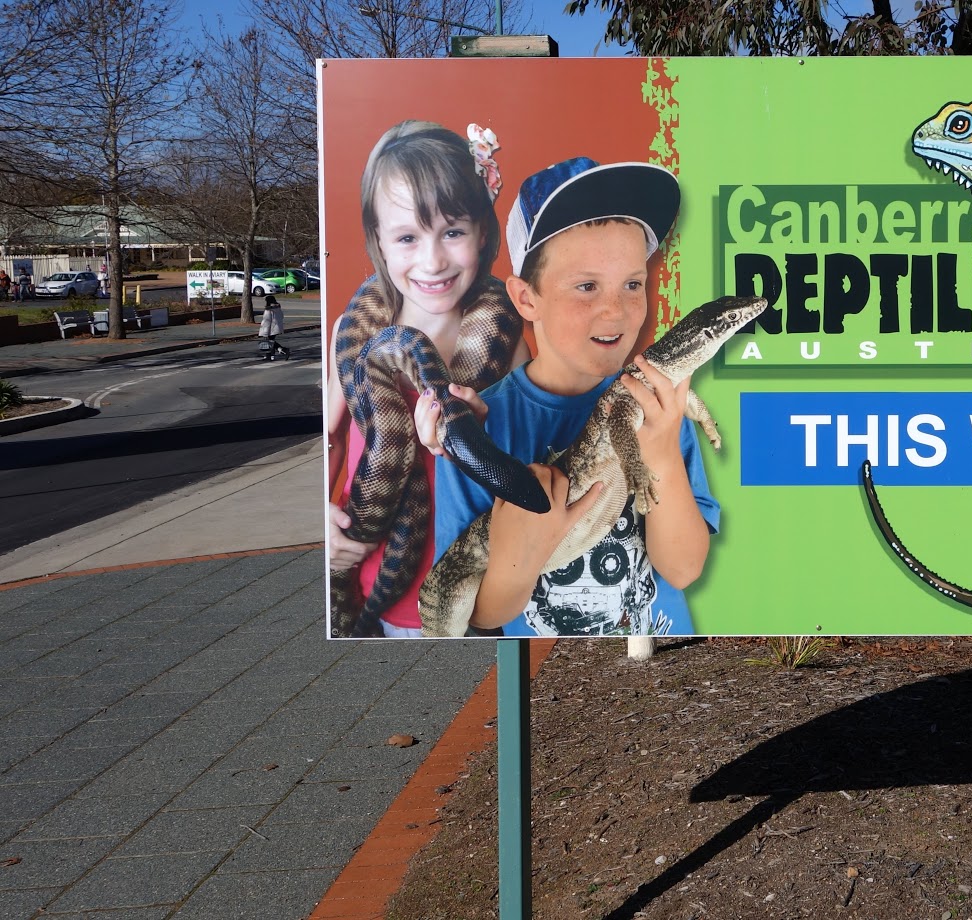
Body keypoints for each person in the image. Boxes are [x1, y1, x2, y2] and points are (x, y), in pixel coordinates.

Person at [426, 157, 716, 638]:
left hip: (666, 663)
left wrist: (662, 451)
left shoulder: (659, 408)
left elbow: (683, 570)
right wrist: (521, 559)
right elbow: (479, 613)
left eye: (633, 283)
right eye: (586, 286)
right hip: (550, 674)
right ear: (525, 299)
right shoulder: (474, 431)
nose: (616, 310)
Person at [325, 120, 528, 639]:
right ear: (379, 241)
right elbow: (325, 444)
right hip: (384, 600)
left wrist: (484, 432)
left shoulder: (509, 348)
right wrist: (319, 522)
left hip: (482, 601)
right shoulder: (348, 340)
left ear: (483, 232)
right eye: (408, 237)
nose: (433, 260)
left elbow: (528, 476)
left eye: (452, 231)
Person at [257, 293, 289, 359]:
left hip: (270, 329)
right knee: (271, 341)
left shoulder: (268, 310)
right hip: (277, 328)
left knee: (270, 342)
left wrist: (265, 333)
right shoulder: (277, 308)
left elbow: (267, 321)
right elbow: (281, 316)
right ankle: (271, 355)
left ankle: (283, 350)